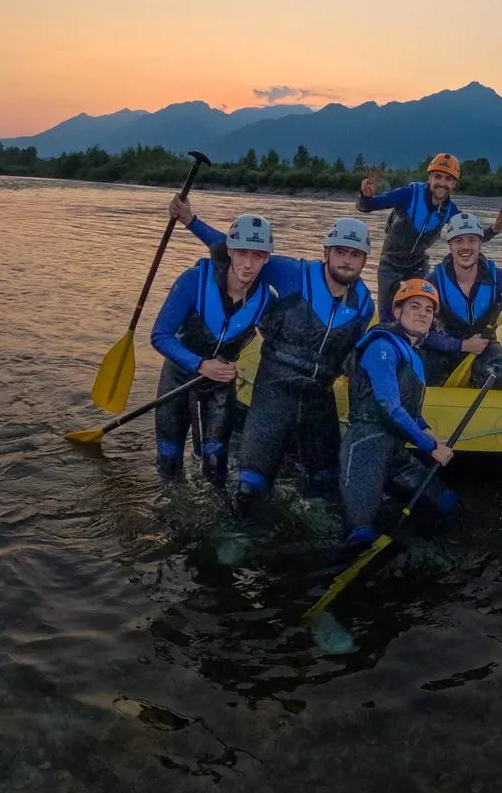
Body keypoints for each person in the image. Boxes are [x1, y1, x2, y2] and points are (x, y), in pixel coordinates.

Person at [170, 195, 374, 512]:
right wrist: (191, 221)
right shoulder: (292, 273)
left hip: (318, 397)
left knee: (326, 484)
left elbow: (356, 356)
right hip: (274, 389)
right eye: (341, 252)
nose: (347, 260)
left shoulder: (364, 304)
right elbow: (234, 249)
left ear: (365, 260)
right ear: (327, 252)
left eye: (355, 254)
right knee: (250, 488)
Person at [149, 213, 274, 486]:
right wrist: (200, 364)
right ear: (229, 250)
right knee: (169, 461)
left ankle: (219, 518)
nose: (248, 264)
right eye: (241, 253)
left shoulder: (267, 299)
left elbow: (280, 345)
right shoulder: (194, 280)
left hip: (218, 387)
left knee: (216, 464)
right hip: (178, 378)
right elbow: (160, 336)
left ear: (267, 258)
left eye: (258, 256)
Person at [340, 278, 458, 548]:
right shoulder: (382, 347)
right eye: (414, 306)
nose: (422, 314)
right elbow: (388, 406)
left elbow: (410, 410)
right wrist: (430, 447)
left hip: (394, 452)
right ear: (397, 312)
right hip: (365, 449)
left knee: (447, 504)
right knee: (361, 537)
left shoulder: (413, 353)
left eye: (429, 310)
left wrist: (427, 430)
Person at [356, 153, 502, 315]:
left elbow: (472, 237)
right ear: (430, 178)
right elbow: (367, 207)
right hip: (390, 263)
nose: (442, 183)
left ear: (454, 184)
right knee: (387, 313)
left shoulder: (451, 211)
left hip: (417, 264)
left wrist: (494, 229)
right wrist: (365, 196)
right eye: (438, 177)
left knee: (423, 307)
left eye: (448, 179)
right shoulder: (409, 194)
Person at [421, 212, 502, 390]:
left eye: (472, 240)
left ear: (480, 243)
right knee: (421, 372)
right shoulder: (432, 282)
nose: (466, 247)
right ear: (450, 245)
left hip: (485, 346)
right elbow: (419, 334)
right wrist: (461, 345)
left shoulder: (498, 278)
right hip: (444, 346)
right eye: (459, 241)